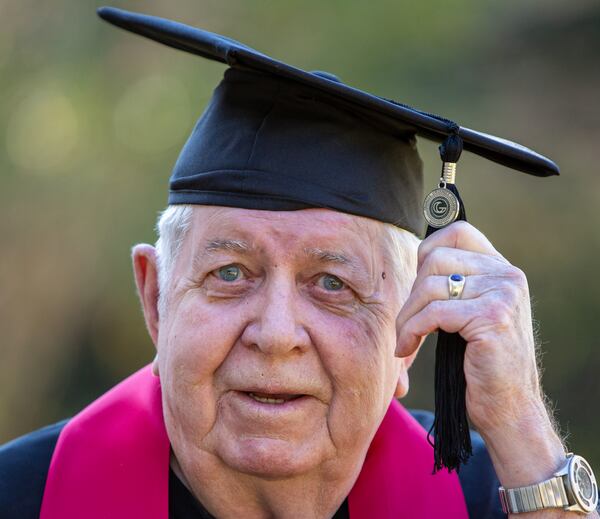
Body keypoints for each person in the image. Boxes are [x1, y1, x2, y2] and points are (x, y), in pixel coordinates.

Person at [1, 6, 598, 519]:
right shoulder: (19, 498)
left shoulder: (499, 498)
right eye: (229, 274)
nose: (277, 334)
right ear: (156, 298)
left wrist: (520, 425)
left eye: (332, 283)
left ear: (409, 336)